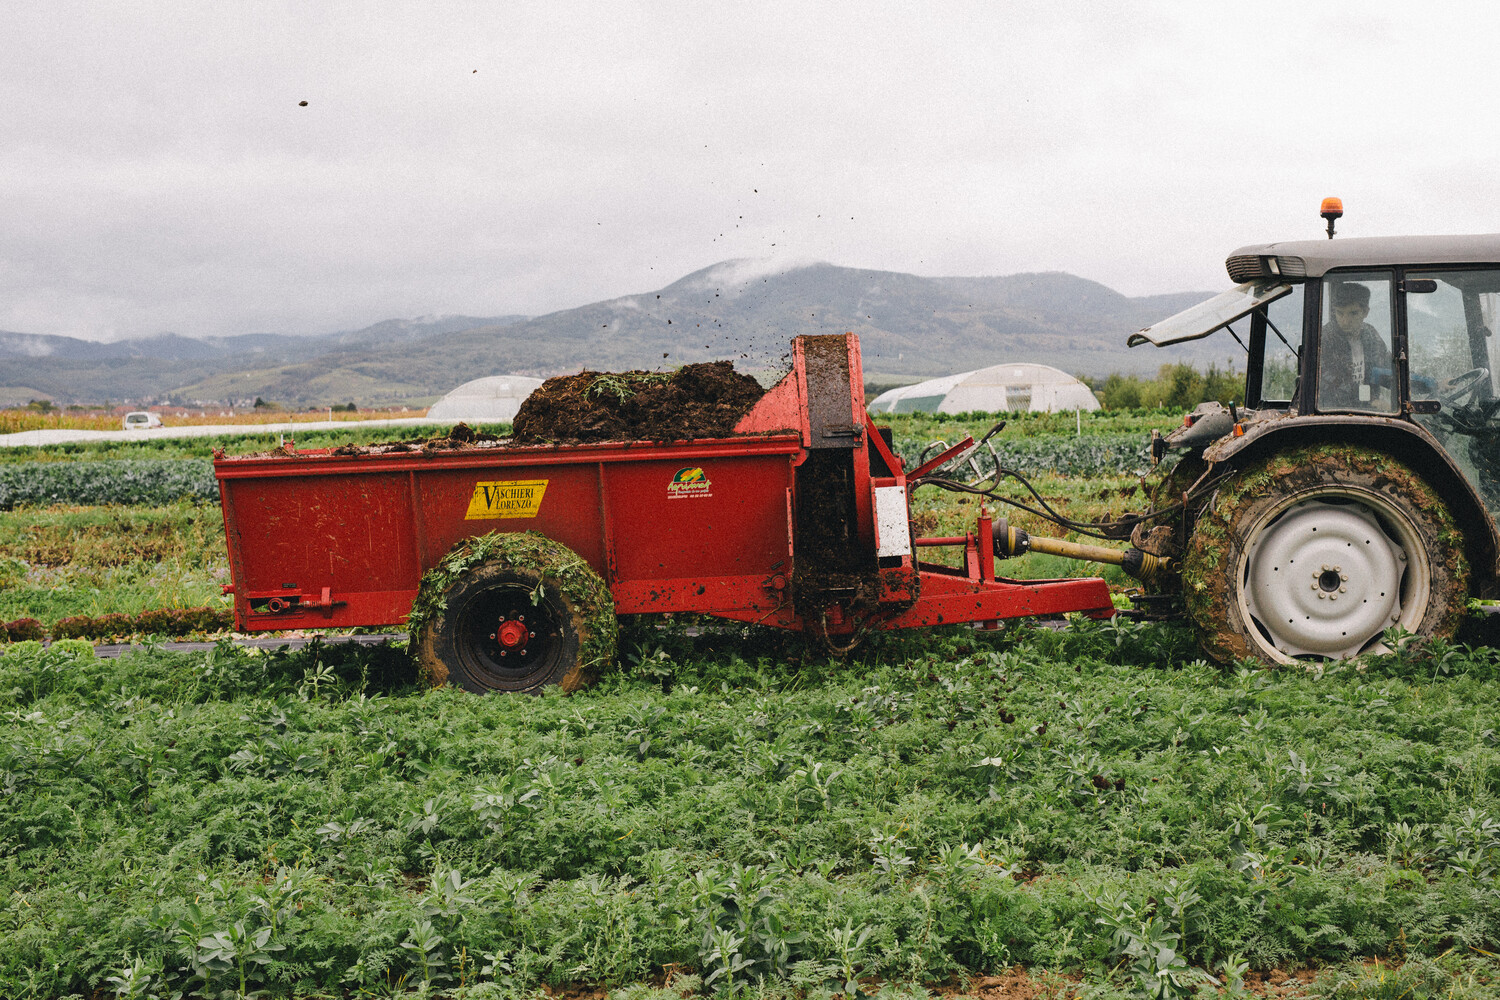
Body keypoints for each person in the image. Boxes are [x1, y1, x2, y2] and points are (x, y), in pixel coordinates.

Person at [1318, 282, 1392, 409]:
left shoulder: (1371, 335)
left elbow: (1386, 368)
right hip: (1332, 413)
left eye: (1353, 313)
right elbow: (1329, 381)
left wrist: (1413, 385)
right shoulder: (1324, 338)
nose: (1345, 321)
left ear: (1365, 312)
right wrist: (1369, 400)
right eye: (1340, 313)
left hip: (1368, 413)